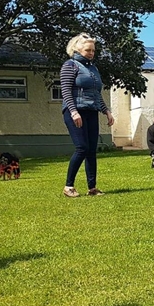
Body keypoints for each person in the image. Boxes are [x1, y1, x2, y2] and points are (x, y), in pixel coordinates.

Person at [60, 33, 114, 197]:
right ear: (76, 49)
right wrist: (74, 111)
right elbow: (66, 91)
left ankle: (92, 187)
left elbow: (96, 93)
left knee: (91, 150)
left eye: (93, 50)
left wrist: (106, 111)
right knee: (82, 148)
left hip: (91, 112)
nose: (91, 53)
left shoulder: (93, 68)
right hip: (75, 111)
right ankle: (68, 186)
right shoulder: (70, 65)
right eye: (88, 50)